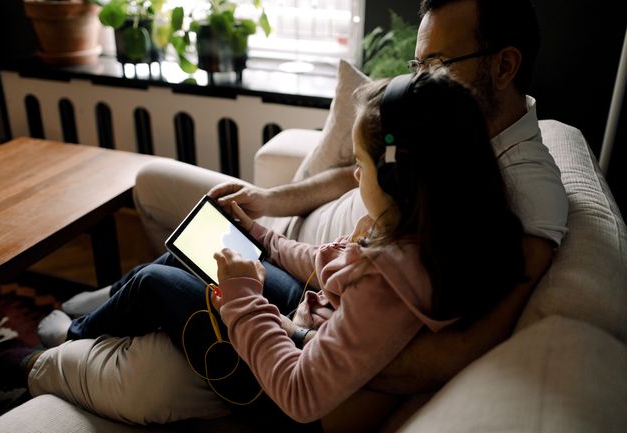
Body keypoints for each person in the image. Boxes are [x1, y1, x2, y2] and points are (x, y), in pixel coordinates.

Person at [30, 0, 567, 426]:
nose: (427, 77)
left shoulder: (511, 187)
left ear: (504, 64)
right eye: (419, 64)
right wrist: (263, 216)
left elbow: (453, 346)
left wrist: (297, 332)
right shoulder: (438, 170)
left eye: (438, 64)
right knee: (184, 218)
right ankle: (100, 304)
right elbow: (344, 208)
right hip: (315, 285)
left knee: (159, 282)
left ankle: (73, 333)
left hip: (312, 327)